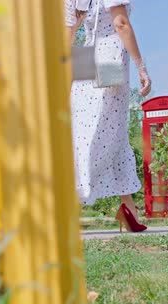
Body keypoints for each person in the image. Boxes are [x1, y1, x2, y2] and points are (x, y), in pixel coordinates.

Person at [65, 0, 151, 232]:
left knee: (90, 134)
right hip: (109, 58)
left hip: (84, 58)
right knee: (107, 135)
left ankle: (128, 209)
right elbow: (121, 24)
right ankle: (66, 205)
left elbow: (69, 33)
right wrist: (141, 67)